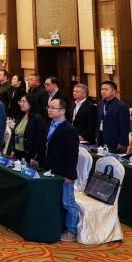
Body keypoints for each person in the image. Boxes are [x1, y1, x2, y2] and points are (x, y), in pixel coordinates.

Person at [43, 99, 80, 242]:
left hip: (65, 172)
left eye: (53, 107)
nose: (49, 109)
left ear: (62, 111)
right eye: (49, 107)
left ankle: (71, 231)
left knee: (68, 202)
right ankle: (60, 226)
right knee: (56, 200)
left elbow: (72, 154)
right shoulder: (50, 125)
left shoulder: (69, 129)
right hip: (51, 168)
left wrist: (69, 175)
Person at [7, 93, 47, 167]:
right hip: (17, 152)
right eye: (20, 101)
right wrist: (13, 150)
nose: (21, 104)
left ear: (31, 103)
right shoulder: (21, 115)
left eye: (24, 101)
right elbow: (15, 134)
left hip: (28, 155)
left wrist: (35, 157)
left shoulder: (37, 118)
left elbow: (39, 140)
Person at [97, 81, 130, 154]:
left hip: (115, 141)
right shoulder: (100, 104)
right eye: (102, 89)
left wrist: (122, 142)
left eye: (106, 89)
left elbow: (125, 126)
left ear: (114, 91)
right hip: (101, 138)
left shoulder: (121, 106)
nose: (103, 91)